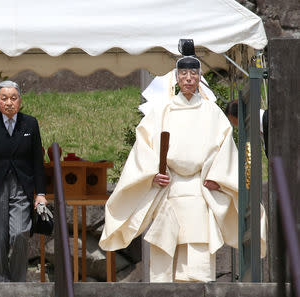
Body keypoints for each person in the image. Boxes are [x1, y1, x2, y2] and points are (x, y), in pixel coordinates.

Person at [99, 56, 267, 282]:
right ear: (177, 78)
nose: (189, 79)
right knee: (164, 262)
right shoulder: (161, 112)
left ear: (199, 77)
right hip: (169, 190)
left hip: (199, 190)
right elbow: (143, 148)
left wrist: (218, 178)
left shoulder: (212, 112)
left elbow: (225, 149)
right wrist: (152, 174)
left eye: (193, 74)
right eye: (184, 74)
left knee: (198, 258)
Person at [0, 80, 49, 282]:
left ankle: (17, 284)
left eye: (13, 98)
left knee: (21, 233)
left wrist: (40, 194)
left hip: (21, 187)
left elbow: (37, 162)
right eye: (4, 98)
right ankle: (1, 286)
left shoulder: (30, 124)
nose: (9, 102)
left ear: (20, 101)